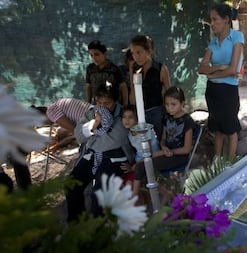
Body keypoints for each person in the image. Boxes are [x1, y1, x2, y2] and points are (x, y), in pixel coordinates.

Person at [65, 84, 135, 221]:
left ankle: (98, 230)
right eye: (99, 102)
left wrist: (92, 135)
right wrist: (94, 124)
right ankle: (76, 225)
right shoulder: (91, 112)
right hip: (92, 154)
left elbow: (117, 140)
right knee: (71, 184)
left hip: (115, 157)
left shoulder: (124, 114)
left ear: (115, 102)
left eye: (107, 103)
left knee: (99, 192)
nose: (102, 107)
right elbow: (78, 136)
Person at [198, 3, 244, 161]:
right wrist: (219, 67)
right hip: (213, 92)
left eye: (215, 19)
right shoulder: (213, 42)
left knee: (230, 129)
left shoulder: (237, 37)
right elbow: (201, 68)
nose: (212, 23)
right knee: (217, 128)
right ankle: (217, 161)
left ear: (226, 20)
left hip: (228, 91)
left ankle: (229, 163)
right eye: (211, 19)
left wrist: (213, 75)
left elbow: (233, 69)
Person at [133, 87, 194, 197]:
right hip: (166, 153)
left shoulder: (187, 121)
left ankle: (134, 199)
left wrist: (169, 152)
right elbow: (163, 139)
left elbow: (186, 149)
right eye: (167, 104)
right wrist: (163, 146)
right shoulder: (167, 118)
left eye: (173, 104)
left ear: (182, 103)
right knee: (142, 166)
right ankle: (164, 194)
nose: (169, 108)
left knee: (141, 167)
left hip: (178, 156)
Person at [129, 35, 171, 140]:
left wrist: (169, 113)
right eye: (133, 53)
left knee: (157, 139)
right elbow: (133, 90)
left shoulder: (161, 69)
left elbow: (169, 92)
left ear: (149, 51)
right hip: (139, 111)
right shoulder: (134, 68)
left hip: (156, 111)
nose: (136, 57)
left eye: (139, 52)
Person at [119, 105, 159, 186]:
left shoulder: (144, 130)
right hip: (139, 160)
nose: (126, 120)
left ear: (137, 119)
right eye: (124, 117)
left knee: (131, 182)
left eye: (130, 117)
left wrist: (134, 166)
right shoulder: (130, 133)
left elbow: (149, 153)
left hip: (151, 159)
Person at [86, 40, 128, 106]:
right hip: (97, 104)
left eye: (97, 54)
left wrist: (125, 104)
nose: (94, 58)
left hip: (111, 105)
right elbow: (88, 86)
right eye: (91, 55)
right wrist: (88, 103)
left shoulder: (114, 69)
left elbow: (123, 86)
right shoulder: (90, 68)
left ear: (104, 54)